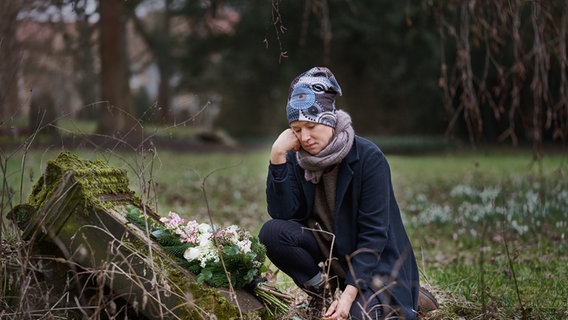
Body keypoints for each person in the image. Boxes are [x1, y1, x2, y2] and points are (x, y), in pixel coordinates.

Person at [259, 67, 420, 320]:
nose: (305, 137)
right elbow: (283, 213)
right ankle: (323, 294)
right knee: (272, 232)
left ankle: (407, 297)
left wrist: (348, 295)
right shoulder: (297, 156)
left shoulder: (368, 158)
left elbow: (374, 234)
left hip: (375, 265)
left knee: (358, 316)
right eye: (296, 129)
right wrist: (277, 157)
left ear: (329, 120)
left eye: (311, 126)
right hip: (330, 254)